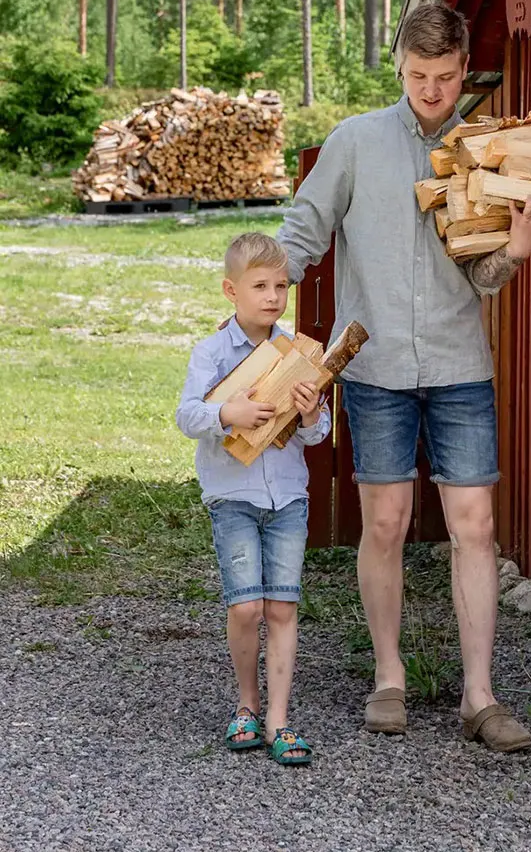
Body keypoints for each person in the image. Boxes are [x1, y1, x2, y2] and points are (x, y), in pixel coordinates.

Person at [276, 1, 531, 753]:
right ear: (398, 68)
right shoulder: (356, 142)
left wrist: (522, 245)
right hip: (373, 369)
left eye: (443, 77)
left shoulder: (484, 150)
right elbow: (302, 230)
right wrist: (262, 311)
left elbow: (487, 276)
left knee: (475, 526)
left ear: (465, 70)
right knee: (385, 523)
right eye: (416, 76)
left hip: (459, 366)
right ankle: (390, 677)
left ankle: (479, 695)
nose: (430, 91)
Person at [176, 231, 331, 765]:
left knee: (282, 606)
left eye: (280, 286)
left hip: (287, 498)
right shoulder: (213, 353)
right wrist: (228, 415)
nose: (272, 296)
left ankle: (279, 720)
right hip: (233, 497)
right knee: (246, 608)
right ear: (230, 290)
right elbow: (186, 415)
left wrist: (312, 413)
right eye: (259, 285)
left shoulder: (294, 354)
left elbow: (319, 432)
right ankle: (246, 704)